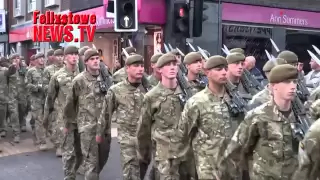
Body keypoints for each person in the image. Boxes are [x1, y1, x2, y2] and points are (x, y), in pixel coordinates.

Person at [221, 64, 300, 180]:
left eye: (294, 82)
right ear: (274, 86)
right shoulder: (257, 117)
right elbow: (235, 151)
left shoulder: (302, 117)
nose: (292, 86)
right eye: (287, 82)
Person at [178, 55, 244, 180]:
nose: (224, 72)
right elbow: (183, 137)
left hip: (234, 168)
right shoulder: (196, 102)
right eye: (218, 69)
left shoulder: (236, 101)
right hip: (209, 170)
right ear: (207, 72)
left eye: (225, 68)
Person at [137, 53, 186, 180]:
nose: (172, 68)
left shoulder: (188, 93)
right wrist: (143, 155)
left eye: (174, 64)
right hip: (165, 154)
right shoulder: (151, 96)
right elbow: (143, 129)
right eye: (167, 65)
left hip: (187, 153)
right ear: (159, 69)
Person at [64, 48, 110, 180]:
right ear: (86, 62)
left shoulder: (105, 78)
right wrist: (69, 123)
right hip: (87, 128)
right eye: (92, 59)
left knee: (102, 158)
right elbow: (70, 103)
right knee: (91, 163)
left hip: (104, 127)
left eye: (97, 59)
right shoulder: (79, 80)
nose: (96, 61)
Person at [99, 54, 146, 180]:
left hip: (147, 140)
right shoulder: (116, 90)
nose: (140, 69)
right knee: (131, 173)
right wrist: (101, 134)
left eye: (142, 66)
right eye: (136, 66)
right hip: (127, 139)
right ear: (127, 68)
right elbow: (105, 114)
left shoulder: (148, 88)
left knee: (142, 171)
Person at [25, 52, 47, 150]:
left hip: (47, 99)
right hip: (36, 99)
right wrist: (37, 87)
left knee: (48, 120)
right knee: (39, 120)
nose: (42, 59)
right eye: (40, 58)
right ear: (36, 60)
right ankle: (42, 142)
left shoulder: (47, 70)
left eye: (43, 58)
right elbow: (27, 84)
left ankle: (45, 136)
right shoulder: (31, 71)